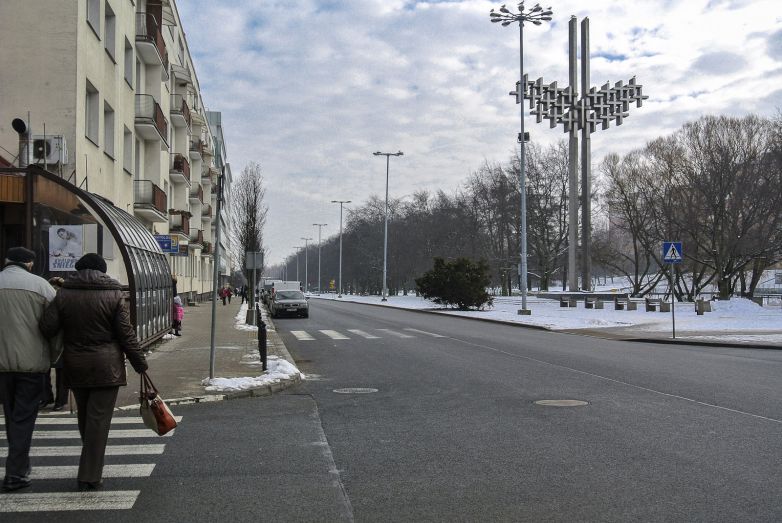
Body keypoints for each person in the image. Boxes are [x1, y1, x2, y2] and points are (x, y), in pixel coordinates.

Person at [40, 253, 148, 491]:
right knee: (98, 420)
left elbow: (47, 327)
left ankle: (90, 464)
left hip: (75, 364)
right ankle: (89, 475)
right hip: (105, 365)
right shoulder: (113, 294)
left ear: (78, 270)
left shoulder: (64, 294)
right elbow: (125, 334)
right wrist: (139, 362)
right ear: (102, 271)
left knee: (85, 417)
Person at [0, 247, 57, 492]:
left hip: (1, 366)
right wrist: (53, 358)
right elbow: (55, 327)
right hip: (32, 366)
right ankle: (15, 474)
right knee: (23, 419)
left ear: (7, 262)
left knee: (12, 417)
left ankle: (18, 467)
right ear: (30, 264)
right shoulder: (42, 287)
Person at [42, 277, 68, 412]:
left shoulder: (49, 297)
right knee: (62, 372)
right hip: (63, 339)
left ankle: (47, 397)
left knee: (44, 369)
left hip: (47, 338)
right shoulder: (66, 298)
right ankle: (61, 401)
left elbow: (48, 323)